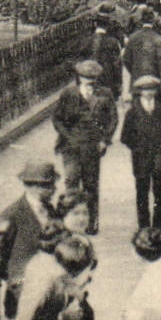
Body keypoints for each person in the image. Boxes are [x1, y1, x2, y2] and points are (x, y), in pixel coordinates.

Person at [51, 59, 118, 236]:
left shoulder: (105, 94)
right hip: (71, 147)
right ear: (79, 77)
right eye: (86, 77)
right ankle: (69, 221)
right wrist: (67, 135)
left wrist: (105, 140)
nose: (90, 81)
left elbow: (113, 119)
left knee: (91, 185)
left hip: (92, 146)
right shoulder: (69, 93)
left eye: (93, 78)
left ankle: (91, 222)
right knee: (71, 182)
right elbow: (57, 118)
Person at [0, 161, 59, 318]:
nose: (55, 189)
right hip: (22, 293)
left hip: (49, 289)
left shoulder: (50, 210)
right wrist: (15, 279)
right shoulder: (12, 214)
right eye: (50, 185)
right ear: (36, 187)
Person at [122, 75, 161, 234]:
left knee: (160, 194)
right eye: (145, 90)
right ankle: (144, 228)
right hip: (141, 159)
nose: (149, 93)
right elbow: (125, 137)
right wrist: (138, 147)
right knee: (142, 195)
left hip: (160, 158)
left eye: (152, 89)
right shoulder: (132, 112)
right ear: (139, 92)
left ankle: (159, 228)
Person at [123, 5, 161, 94]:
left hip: (137, 79)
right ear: (153, 21)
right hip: (154, 80)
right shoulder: (158, 38)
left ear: (141, 21)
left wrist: (134, 71)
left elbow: (126, 59)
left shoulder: (133, 37)